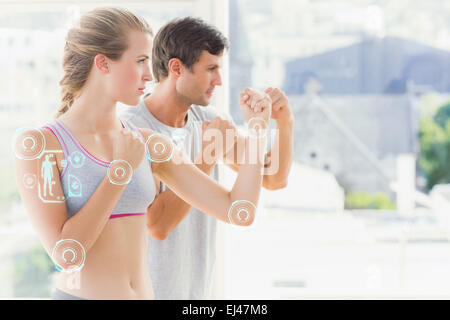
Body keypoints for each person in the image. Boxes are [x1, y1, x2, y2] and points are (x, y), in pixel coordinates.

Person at [13, 7, 270, 300]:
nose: (149, 75)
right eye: (140, 61)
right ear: (103, 64)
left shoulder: (146, 143)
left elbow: (238, 210)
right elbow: (67, 254)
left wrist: (258, 130)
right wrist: (120, 171)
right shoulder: (42, 145)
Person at [120, 16, 294, 299]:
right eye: (210, 69)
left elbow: (273, 179)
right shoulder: (133, 131)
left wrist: (284, 124)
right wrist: (208, 154)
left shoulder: (208, 120)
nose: (219, 80)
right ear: (176, 68)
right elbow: (157, 225)